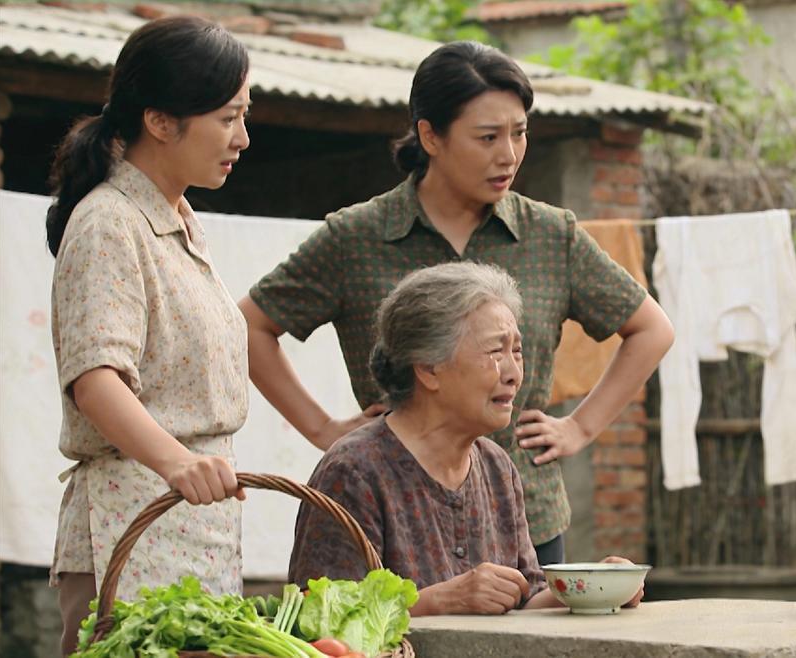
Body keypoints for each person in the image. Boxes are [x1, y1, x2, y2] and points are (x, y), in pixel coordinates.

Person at [241, 41, 673, 567]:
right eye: (487, 137)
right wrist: (323, 429)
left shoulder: (549, 234)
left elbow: (652, 329)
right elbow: (247, 326)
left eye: (519, 133)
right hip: (394, 519)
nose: (508, 154)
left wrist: (579, 426)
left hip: (525, 519)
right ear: (430, 136)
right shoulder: (356, 236)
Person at [44, 16, 254, 656]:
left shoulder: (176, 216)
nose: (242, 138)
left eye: (244, 116)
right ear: (161, 121)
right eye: (227, 118)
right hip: (129, 522)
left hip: (193, 522)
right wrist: (178, 462)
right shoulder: (110, 222)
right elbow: (95, 380)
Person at [289, 263, 643, 614]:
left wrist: (598, 587)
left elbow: (527, 600)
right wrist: (437, 601)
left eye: (516, 351)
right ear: (428, 368)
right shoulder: (353, 471)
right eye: (495, 351)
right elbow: (316, 615)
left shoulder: (496, 465)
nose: (514, 373)